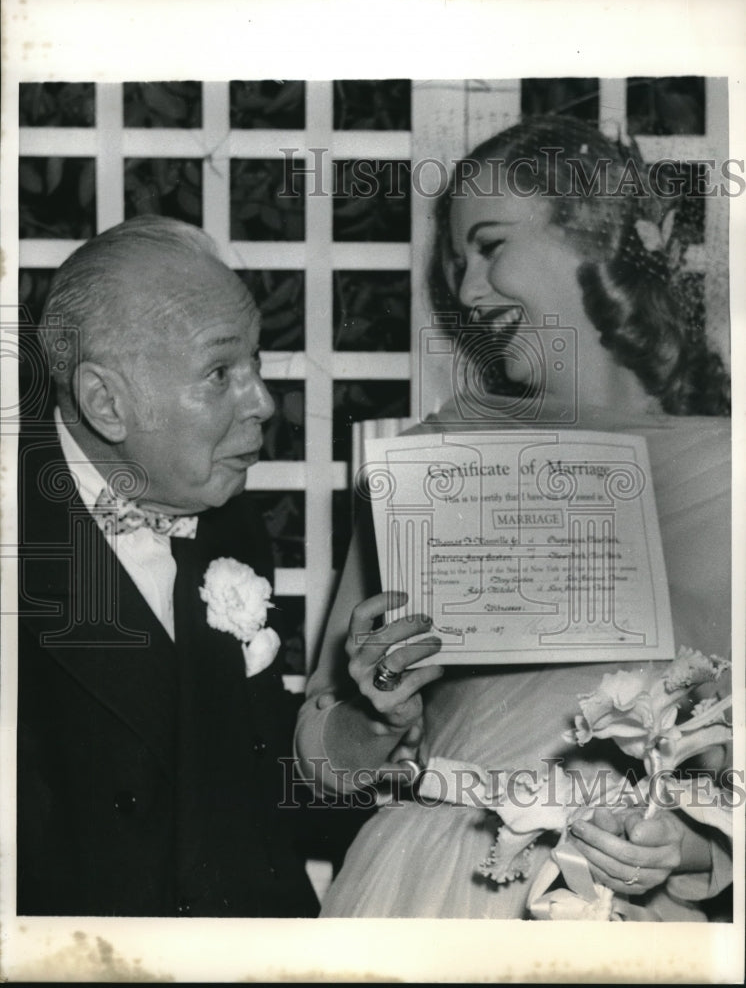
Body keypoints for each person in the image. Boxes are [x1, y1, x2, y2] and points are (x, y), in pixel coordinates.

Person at [295, 115, 732, 919]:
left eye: (491, 248)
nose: (465, 291)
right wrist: (375, 708)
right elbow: (321, 765)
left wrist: (693, 848)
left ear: (596, 240)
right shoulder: (434, 458)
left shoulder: (729, 470)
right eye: (458, 262)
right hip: (422, 887)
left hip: (621, 907)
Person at [17, 215, 319, 917]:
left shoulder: (229, 515)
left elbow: (249, 786)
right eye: (221, 372)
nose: (264, 403)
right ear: (106, 403)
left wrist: (356, 738)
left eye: (257, 363)